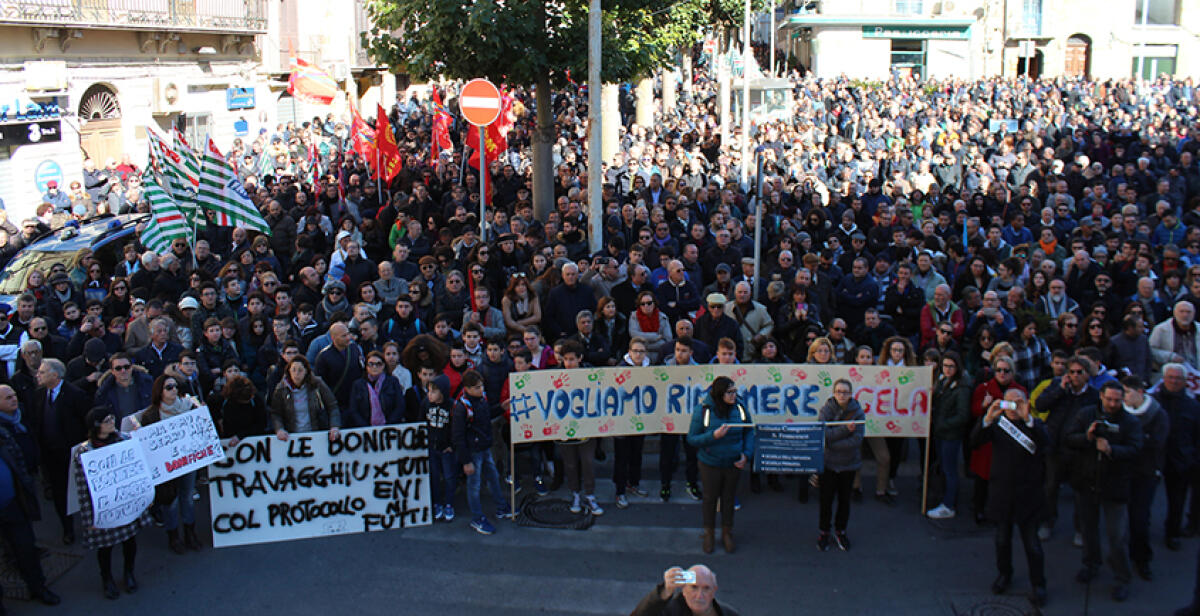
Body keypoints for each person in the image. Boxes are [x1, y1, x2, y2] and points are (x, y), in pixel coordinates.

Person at [1065, 380, 1144, 603]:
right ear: (1101, 395)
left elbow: (1136, 448)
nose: (1112, 403)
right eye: (1109, 399)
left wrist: (1112, 450)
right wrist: (1087, 438)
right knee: (1089, 530)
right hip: (1087, 482)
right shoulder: (1086, 414)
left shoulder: (1130, 422)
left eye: (1117, 400)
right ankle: (1091, 564)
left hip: (1115, 486)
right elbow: (1069, 438)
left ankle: (1122, 577)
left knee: (1116, 536)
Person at [970, 389, 1049, 608]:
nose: (1014, 408)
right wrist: (987, 417)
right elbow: (974, 441)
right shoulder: (998, 424)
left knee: (1032, 544)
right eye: (1009, 404)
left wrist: (1028, 419)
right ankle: (1004, 574)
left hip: (1028, 494)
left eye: (1018, 403)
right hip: (1002, 492)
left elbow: (1046, 444)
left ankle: (1038, 584)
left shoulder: (1035, 425)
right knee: (1002, 540)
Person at [74, 407, 149, 599]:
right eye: (107, 420)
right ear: (96, 425)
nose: (112, 422)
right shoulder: (84, 451)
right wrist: (90, 518)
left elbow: (138, 469)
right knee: (105, 548)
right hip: (105, 508)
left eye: (112, 418)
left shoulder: (125, 440)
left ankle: (128, 572)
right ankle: (106, 578)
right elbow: (83, 488)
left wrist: (143, 497)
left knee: (129, 541)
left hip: (126, 502)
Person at [122, 374, 200, 554]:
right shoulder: (151, 415)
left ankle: (190, 532)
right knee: (170, 501)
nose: (174, 390)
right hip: (166, 467)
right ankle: (173, 536)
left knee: (187, 498)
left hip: (188, 461)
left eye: (175, 386)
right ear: (160, 391)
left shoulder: (189, 407)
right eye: (169, 387)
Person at [0, 384, 62, 609]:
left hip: (13, 503)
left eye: (14, 395)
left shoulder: (7, 431)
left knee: (25, 548)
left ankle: (38, 587)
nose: (14, 399)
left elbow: (22, 456)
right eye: (8, 397)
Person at [687, 376, 753, 554]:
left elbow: (749, 431)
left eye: (734, 392)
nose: (733, 396)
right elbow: (692, 438)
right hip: (710, 463)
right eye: (729, 392)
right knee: (710, 498)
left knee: (729, 498)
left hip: (733, 462)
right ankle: (709, 532)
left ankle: (727, 532)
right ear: (719, 393)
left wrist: (746, 454)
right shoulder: (703, 410)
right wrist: (712, 437)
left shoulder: (740, 408)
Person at [452, 369, 512, 534]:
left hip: (484, 447)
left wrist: (501, 408)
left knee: (493, 477)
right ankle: (477, 518)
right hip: (473, 452)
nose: (481, 390)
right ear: (467, 388)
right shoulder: (462, 408)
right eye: (477, 387)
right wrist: (466, 461)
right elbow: (458, 437)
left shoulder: (481, 399)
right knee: (474, 486)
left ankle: (501, 506)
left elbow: (486, 416)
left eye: (482, 386)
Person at [1122, 375, 1169, 581]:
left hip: (1145, 473)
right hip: (1123, 472)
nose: (1122, 398)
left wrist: (1131, 441)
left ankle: (1142, 559)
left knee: (1140, 518)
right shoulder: (1120, 411)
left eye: (1126, 393)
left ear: (1139, 392)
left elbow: (1155, 443)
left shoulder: (1158, 415)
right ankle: (1125, 557)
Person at [1155, 363, 1200, 551]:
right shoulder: (1153, 401)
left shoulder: (1193, 406)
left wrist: (1192, 458)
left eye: (1178, 378)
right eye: (1170, 377)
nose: (1174, 381)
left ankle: (1172, 533)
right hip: (1154, 459)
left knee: (1177, 501)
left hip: (1179, 460)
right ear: (1164, 379)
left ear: (1184, 382)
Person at [816, 379, 864, 552]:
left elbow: (856, 440)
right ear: (833, 393)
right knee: (825, 501)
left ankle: (840, 531)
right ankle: (824, 532)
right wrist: (844, 430)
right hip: (828, 464)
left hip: (848, 465)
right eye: (838, 391)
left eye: (845, 392)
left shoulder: (858, 412)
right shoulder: (826, 409)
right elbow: (822, 433)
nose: (841, 395)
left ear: (851, 394)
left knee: (844, 501)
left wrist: (832, 442)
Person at [927, 351, 972, 519]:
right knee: (945, 469)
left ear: (957, 367)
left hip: (950, 435)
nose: (947, 369)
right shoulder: (942, 381)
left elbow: (962, 415)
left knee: (950, 470)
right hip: (942, 433)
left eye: (951, 366)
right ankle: (946, 498)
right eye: (945, 365)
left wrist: (941, 425)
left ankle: (949, 505)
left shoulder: (962, 387)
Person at [269, 356, 342, 443]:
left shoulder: (317, 384)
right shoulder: (281, 389)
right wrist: (279, 429)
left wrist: (334, 426)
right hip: (292, 438)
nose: (296, 374)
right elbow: (276, 413)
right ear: (289, 371)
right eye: (294, 370)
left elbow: (332, 406)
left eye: (300, 370)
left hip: (317, 434)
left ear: (306, 371)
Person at [631, 565, 740, 616]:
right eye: (694, 587)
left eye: (706, 588)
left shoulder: (729, 613)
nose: (699, 596)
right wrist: (665, 590)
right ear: (683, 590)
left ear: (714, 591)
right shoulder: (670, 612)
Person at [345, 350, 406, 427]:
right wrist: (365, 427)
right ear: (366, 366)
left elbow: (400, 406)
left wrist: (388, 424)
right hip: (365, 429)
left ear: (383, 365)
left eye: (378, 364)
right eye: (371, 364)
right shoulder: (358, 385)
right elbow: (353, 410)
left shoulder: (393, 381)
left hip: (390, 427)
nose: (374, 367)